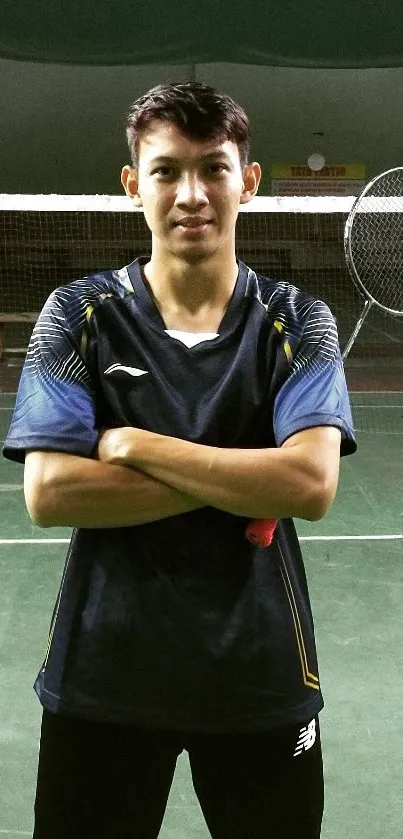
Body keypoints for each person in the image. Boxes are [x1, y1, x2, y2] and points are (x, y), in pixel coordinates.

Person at [3, 82, 356, 838]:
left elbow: (309, 483)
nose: (190, 193)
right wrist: (243, 474)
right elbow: (51, 491)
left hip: (259, 675)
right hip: (103, 677)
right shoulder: (77, 314)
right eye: (166, 171)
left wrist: (132, 444)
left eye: (212, 168)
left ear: (247, 182)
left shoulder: (298, 320)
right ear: (134, 185)